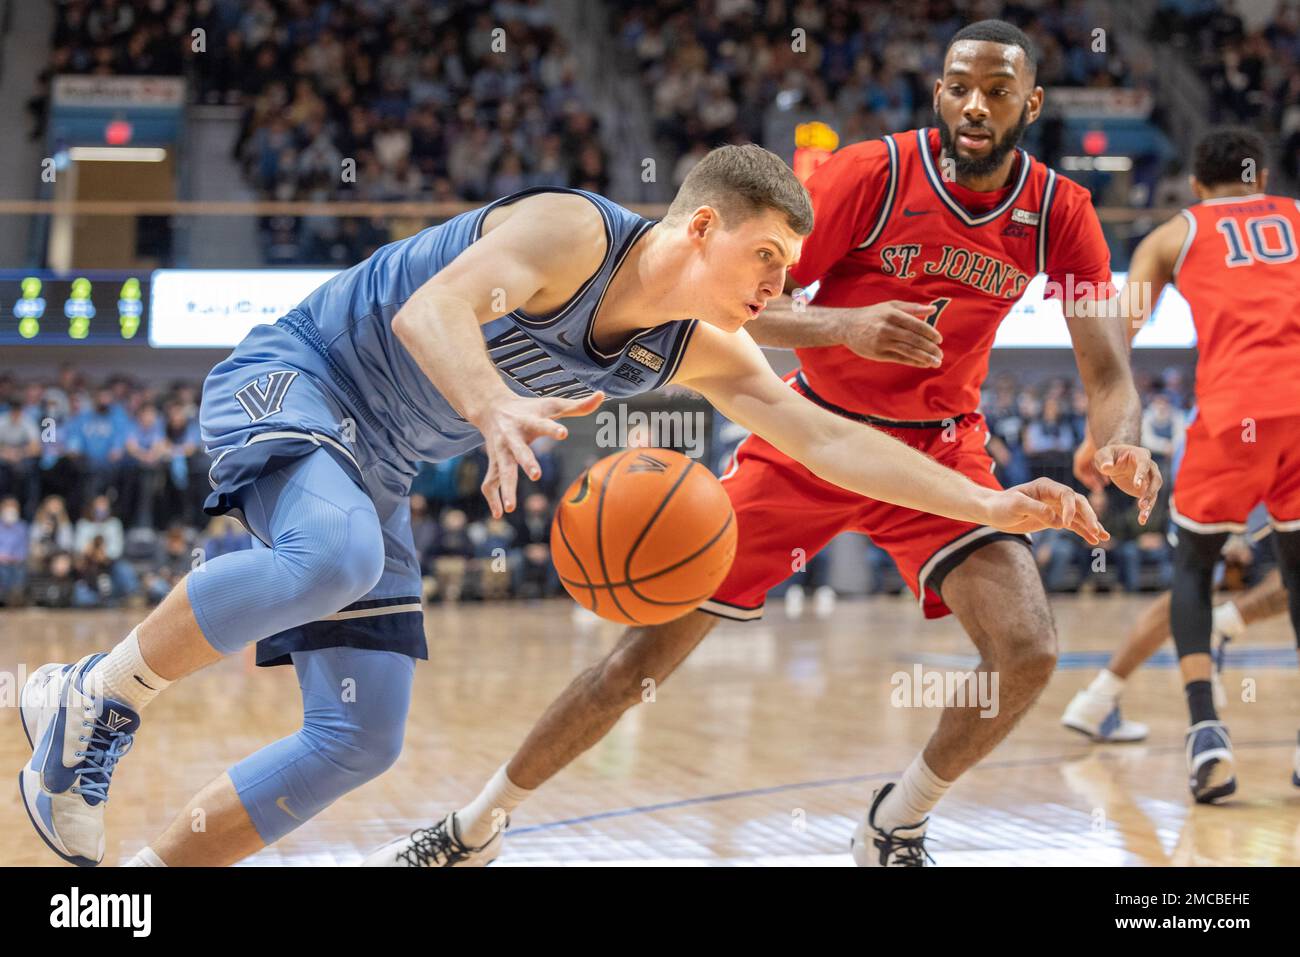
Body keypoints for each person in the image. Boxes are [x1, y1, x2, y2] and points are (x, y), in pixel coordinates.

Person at [19, 142, 1101, 868]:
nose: (782, 281)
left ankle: (138, 893)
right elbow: (436, 311)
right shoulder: (571, 233)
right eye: (766, 255)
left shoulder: (694, 344)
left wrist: (994, 503)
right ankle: (92, 690)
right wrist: (491, 406)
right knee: (338, 557)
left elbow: (822, 436)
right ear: (701, 227)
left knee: (359, 739)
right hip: (302, 378)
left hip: (377, 467)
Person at [365, 20, 1159, 869]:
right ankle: (477, 824)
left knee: (1028, 647)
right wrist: (843, 324)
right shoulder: (873, 173)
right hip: (806, 434)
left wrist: (1122, 442)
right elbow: (738, 298)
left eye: (997, 91)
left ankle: (899, 818)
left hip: (940, 449)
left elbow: (1107, 367)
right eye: (959, 86)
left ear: (1030, 103)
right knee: (642, 657)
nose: (975, 105)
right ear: (938, 92)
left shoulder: (1060, 212)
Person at [1070, 127, 1300, 802]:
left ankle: (1207, 734)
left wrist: (1099, 435)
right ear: (1258, 179)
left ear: (1197, 185)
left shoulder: (1175, 234)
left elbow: (1121, 335)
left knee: (1194, 567)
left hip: (1236, 416)